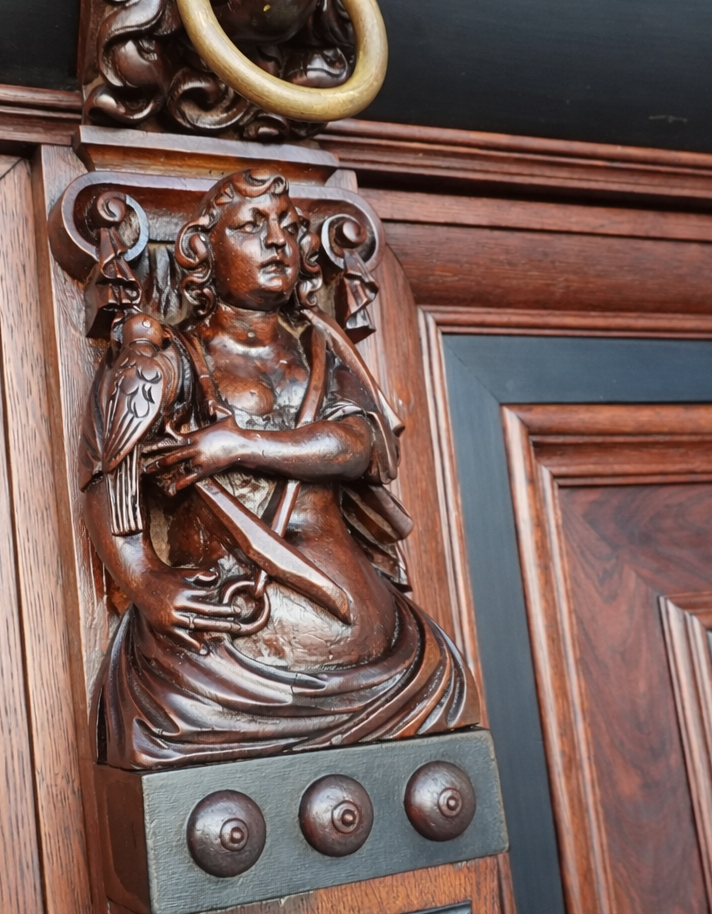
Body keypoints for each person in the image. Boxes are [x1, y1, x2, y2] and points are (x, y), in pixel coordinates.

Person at [81, 169, 478, 769]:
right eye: (251, 226)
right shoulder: (174, 360)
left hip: (388, 653)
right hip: (229, 651)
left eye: (289, 227)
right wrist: (145, 579)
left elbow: (361, 446)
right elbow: (110, 468)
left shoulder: (318, 346)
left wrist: (243, 445)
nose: (276, 241)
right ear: (200, 249)